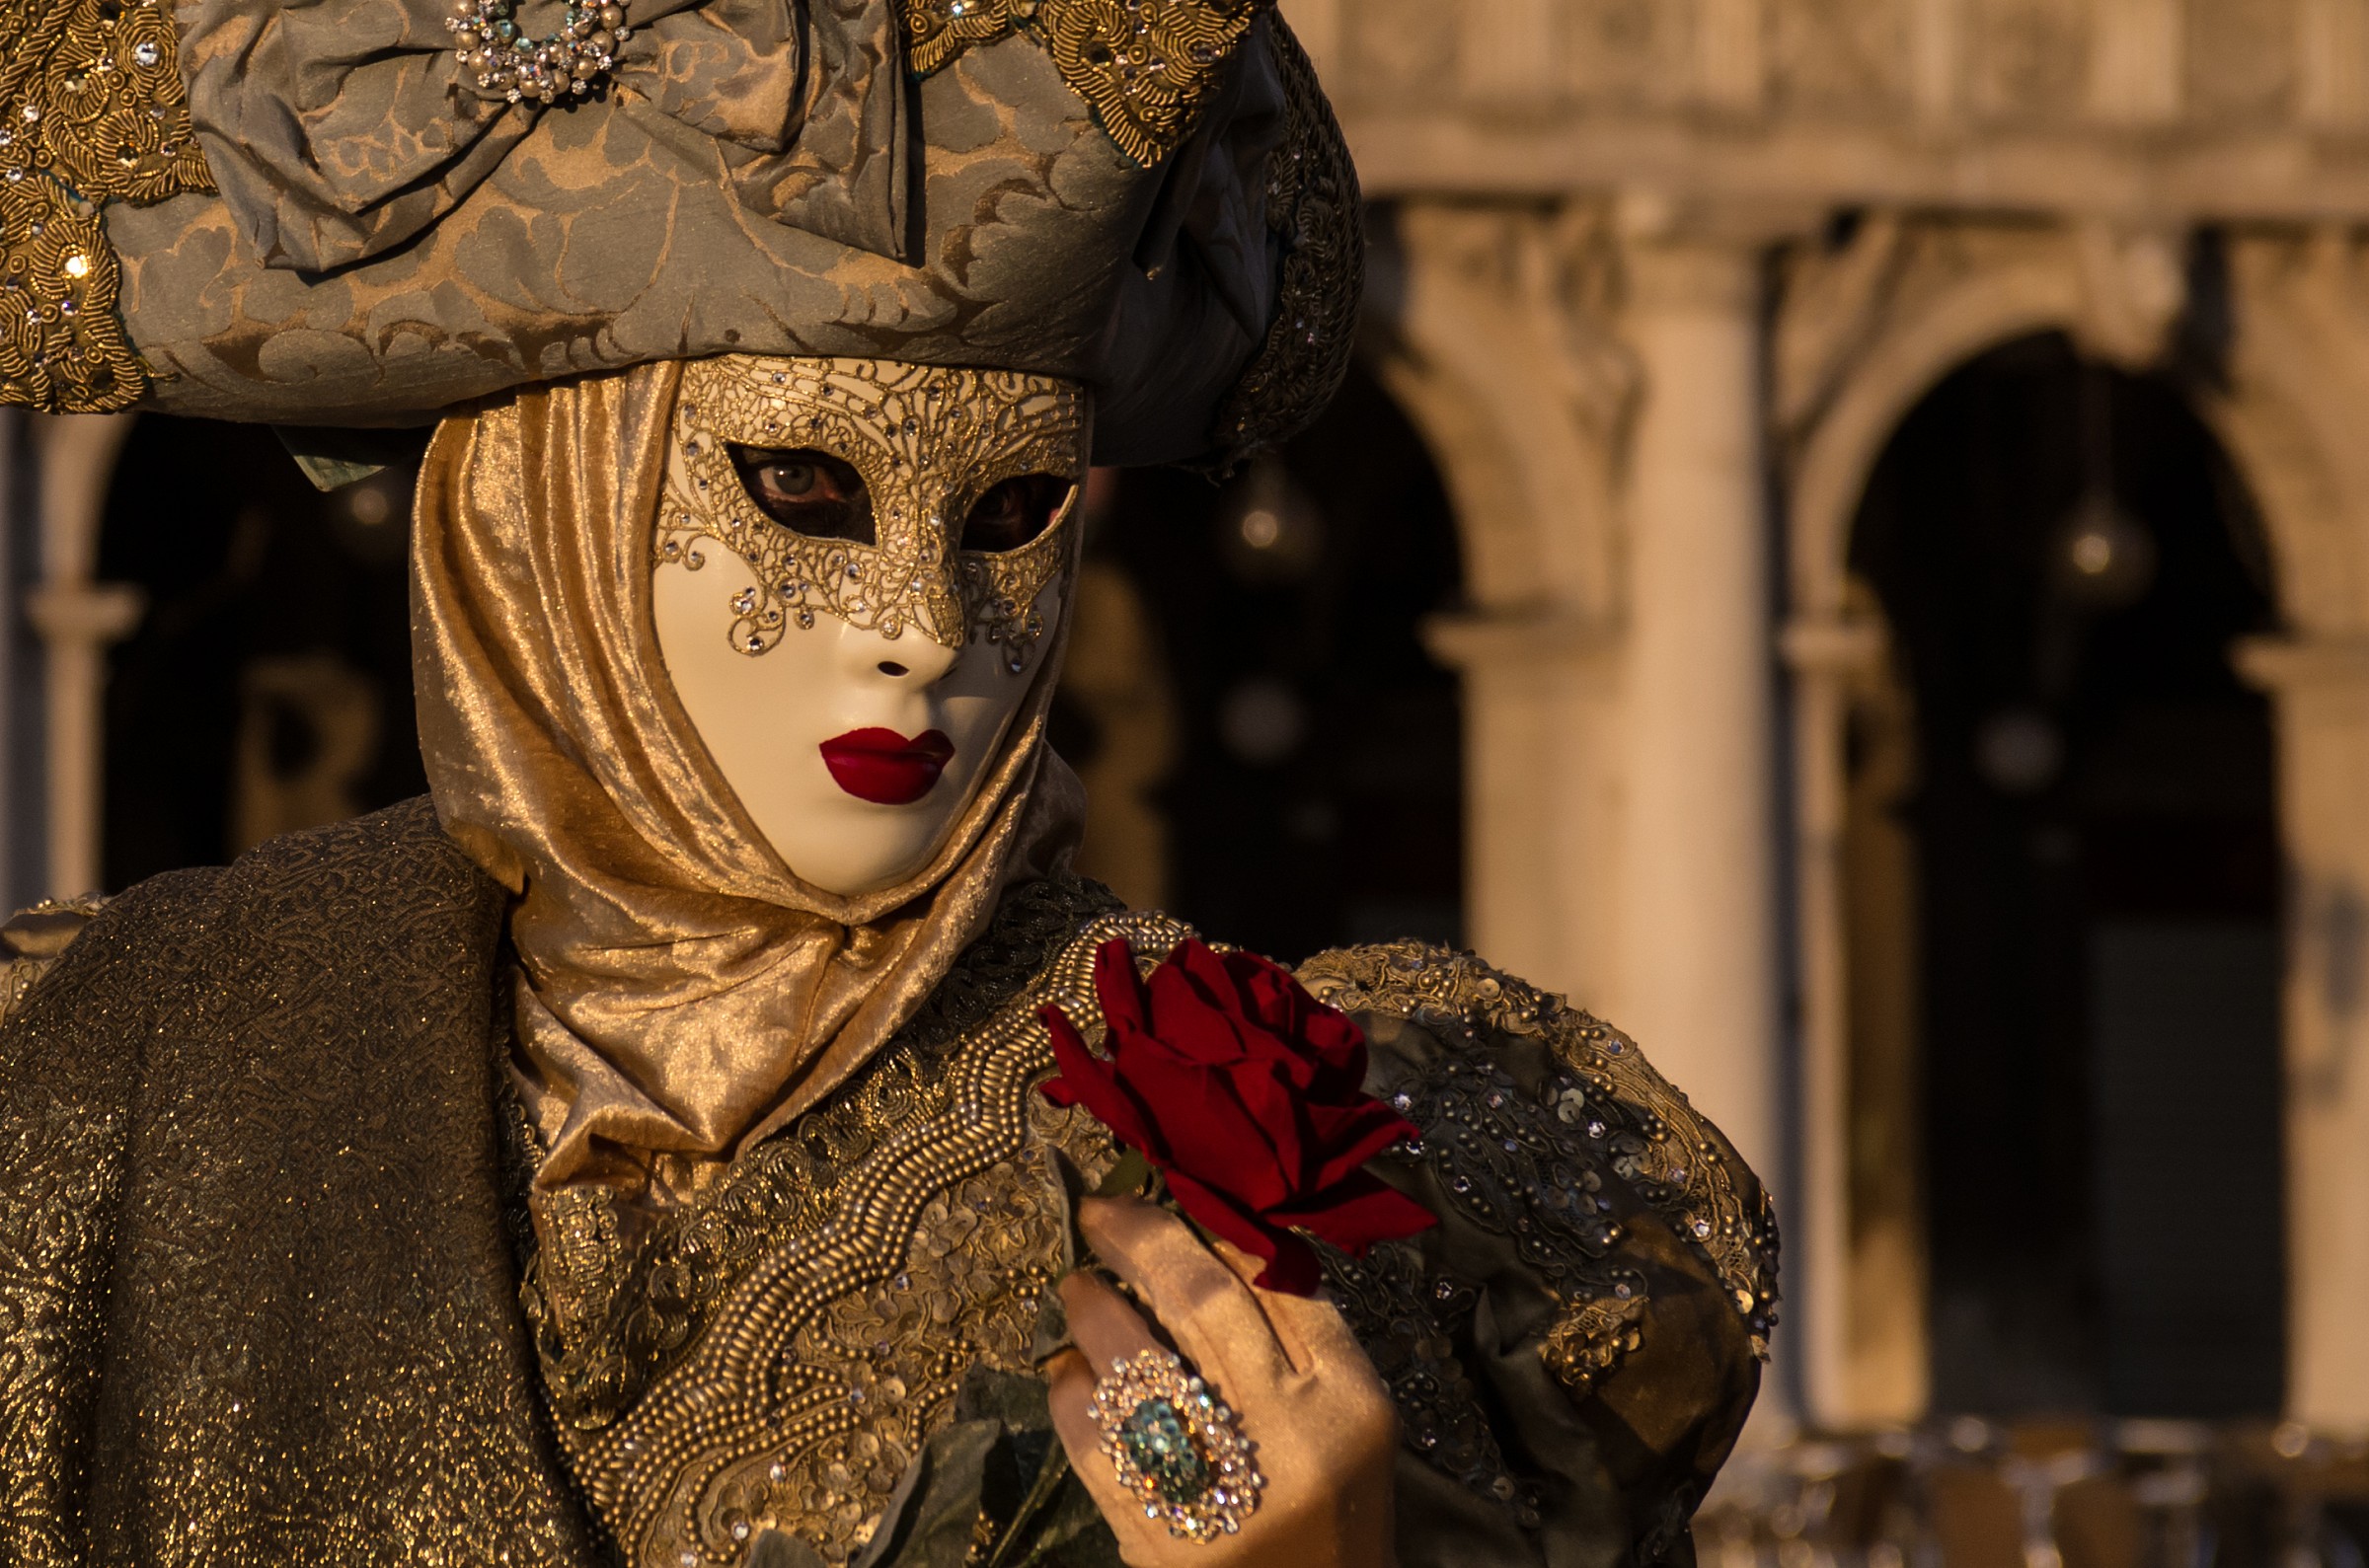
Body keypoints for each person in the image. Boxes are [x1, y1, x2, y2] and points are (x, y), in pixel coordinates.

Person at [0, 2, 1778, 1564]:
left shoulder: (1287, 1166)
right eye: (803, 493)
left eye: (1011, 518)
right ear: (544, 523)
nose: (925, 631)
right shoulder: (110, 1076)